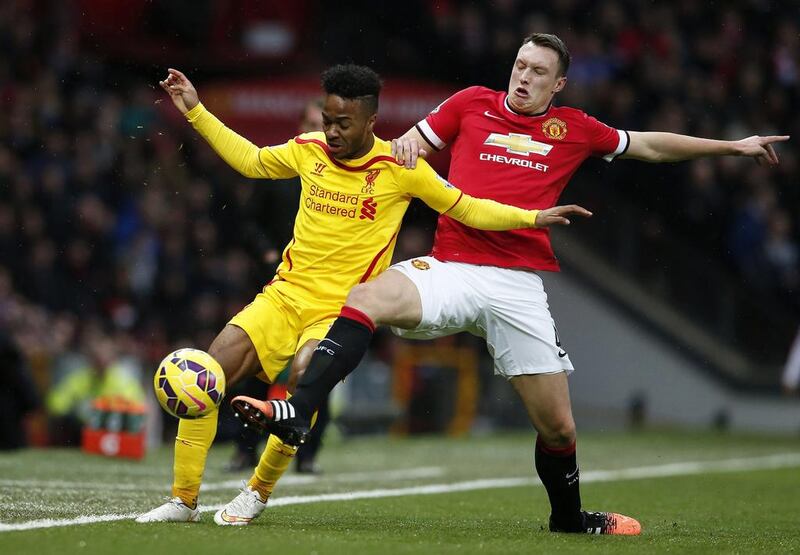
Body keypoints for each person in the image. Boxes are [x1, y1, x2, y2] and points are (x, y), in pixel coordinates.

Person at [236, 33, 789, 535]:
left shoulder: (574, 128)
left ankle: (568, 519)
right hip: (452, 267)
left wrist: (730, 146)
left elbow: (648, 145)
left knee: (557, 428)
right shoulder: (469, 102)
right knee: (367, 295)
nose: (523, 78)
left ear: (559, 83)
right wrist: (404, 146)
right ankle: (295, 408)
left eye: (537, 72)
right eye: (520, 66)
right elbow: (411, 145)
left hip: (517, 285)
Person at [136, 63, 588, 525]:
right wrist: (195, 110)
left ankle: (256, 492)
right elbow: (251, 160)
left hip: (338, 313)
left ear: (371, 121)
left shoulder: (402, 168)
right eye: (327, 120)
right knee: (206, 374)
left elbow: (467, 207)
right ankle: (183, 500)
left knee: (306, 377)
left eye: (342, 123)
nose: (330, 131)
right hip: (282, 298)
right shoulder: (307, 149)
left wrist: (530, 218)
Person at [225, 99, 331, 475]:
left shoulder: (339, 173)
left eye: (325, 124)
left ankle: (307, 454)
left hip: (321, 290)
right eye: (313, 123)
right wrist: (268, 252)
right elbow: (247, 221)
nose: (320, 131)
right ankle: (243, 450)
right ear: (300, 126)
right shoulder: (284, 169)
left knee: (318, 369)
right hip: (277, 280)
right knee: (255, 368)